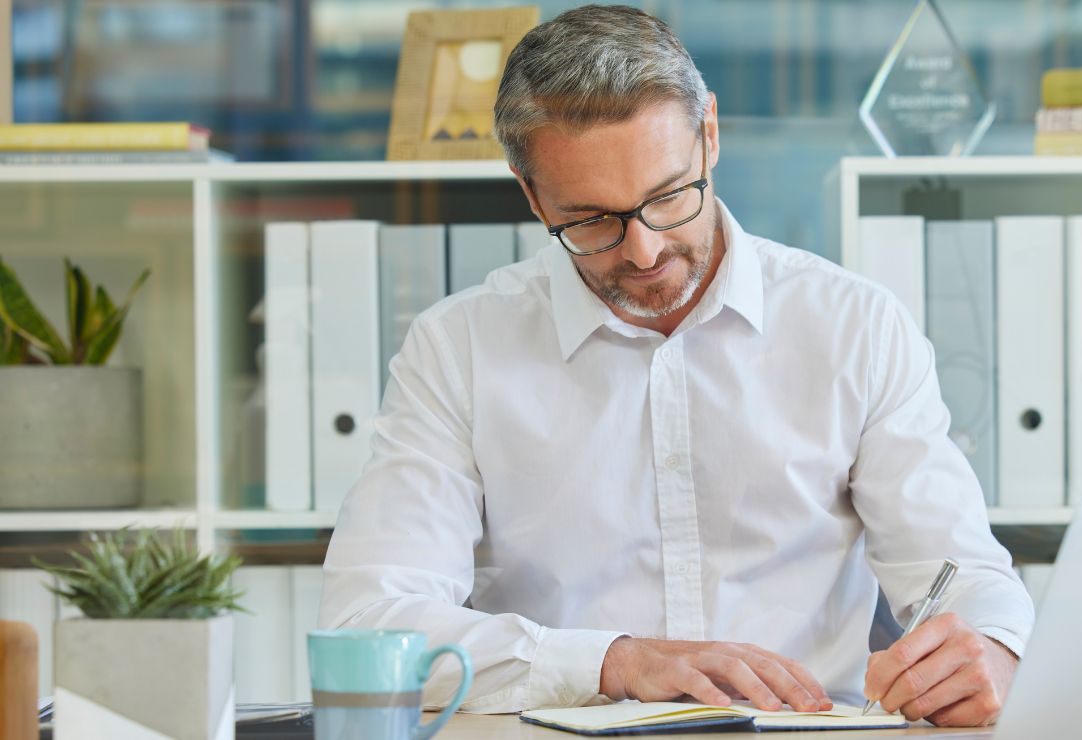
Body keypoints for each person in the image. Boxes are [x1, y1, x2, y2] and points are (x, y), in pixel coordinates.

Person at [320, 4, 1032, 728]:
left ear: (710, 135)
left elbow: (964, 576)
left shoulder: (855, 327)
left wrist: (994, 650)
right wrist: (617, 662)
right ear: (531, 193)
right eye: (591, 219)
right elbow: (369, 623)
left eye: (667, 198)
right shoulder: (459, 350)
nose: (644, 252)